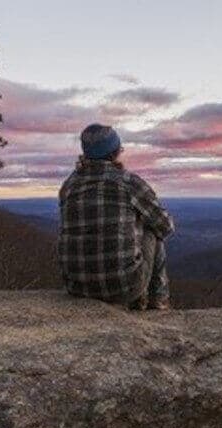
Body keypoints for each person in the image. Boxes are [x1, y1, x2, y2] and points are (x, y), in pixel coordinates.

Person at [59, 124, 174, 310]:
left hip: (76, 286)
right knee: (152, 229)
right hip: (124, 289)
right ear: (115, 152)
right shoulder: (128, 182)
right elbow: (165, 226)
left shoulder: (69, 185)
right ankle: (157, 304)